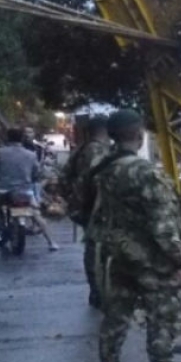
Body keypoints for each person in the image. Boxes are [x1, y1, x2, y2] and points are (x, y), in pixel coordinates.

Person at [87, 109, 181, 362]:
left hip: (116, 257)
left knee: (114, 321)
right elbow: (163, 226)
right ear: (139, 135)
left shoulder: (103, 168)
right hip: (151, 263)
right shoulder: (145, 172)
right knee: (161, 321)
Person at [0, 127, 60, 251]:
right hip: (24, 192)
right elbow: (37, 174)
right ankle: (52, 242)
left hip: (2, 191)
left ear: (7, 138)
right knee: (36, 215)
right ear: (22, 138)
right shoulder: (31, 155)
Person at [61, 115, 113, 307]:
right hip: (97, 209)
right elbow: (101, 182)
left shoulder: (79, 150)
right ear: (106, 130)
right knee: (99, 251)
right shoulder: (98, 151)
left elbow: (64, 178)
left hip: (84, 208)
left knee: (93, 250)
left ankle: (97, 291)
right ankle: (100, 292)